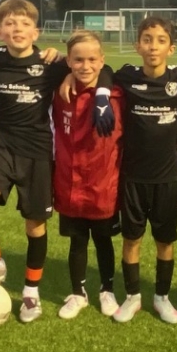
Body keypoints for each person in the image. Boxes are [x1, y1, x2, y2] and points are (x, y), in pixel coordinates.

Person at [0, 0, 100, 323]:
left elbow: (97, 70)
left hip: (39, 154)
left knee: (35, 226)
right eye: (9, 24)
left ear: (36, 32)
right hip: (4, 149)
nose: (17, 29)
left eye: (24, 24)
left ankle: (31, 293)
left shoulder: (50, 63)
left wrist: (68, 72)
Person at [103, 15, 177, 324]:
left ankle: (162, 298)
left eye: (161, 40)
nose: (153, 46)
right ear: (137, 45)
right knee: (132, 239)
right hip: (132, 175)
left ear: (171, 48)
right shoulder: (127, 76)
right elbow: (102, 72)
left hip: (167, 175)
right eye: (147, 40)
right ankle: (133, 297)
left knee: (165, 241)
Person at [50, 30, 123, 318]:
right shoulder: (60, 92)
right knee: (77, 241)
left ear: (102, 60)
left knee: (104, 241)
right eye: (78, 60)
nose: (85, 66)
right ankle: (78, 293)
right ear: (68, 61)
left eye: (92, 59)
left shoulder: (117, 94)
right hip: (70, 184)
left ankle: (107, 290)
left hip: (104, 185)